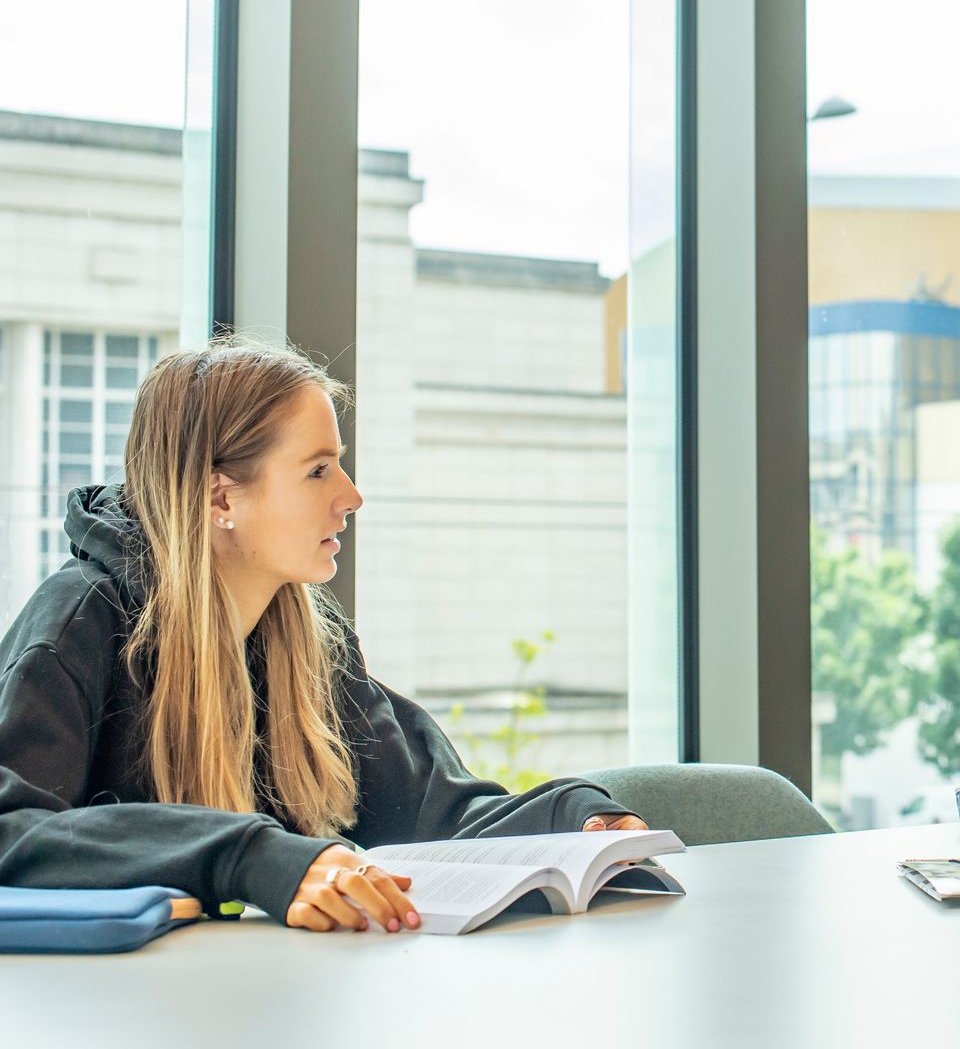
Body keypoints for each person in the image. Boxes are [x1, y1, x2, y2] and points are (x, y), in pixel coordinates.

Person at [0, 338, 647, 934]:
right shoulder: (78, 620)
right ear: (220, 498)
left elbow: (432, 815)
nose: (352, 496)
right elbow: (12, 832)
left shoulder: (309, 634)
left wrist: (574, 819)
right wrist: (250, 856)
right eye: (318, 471)